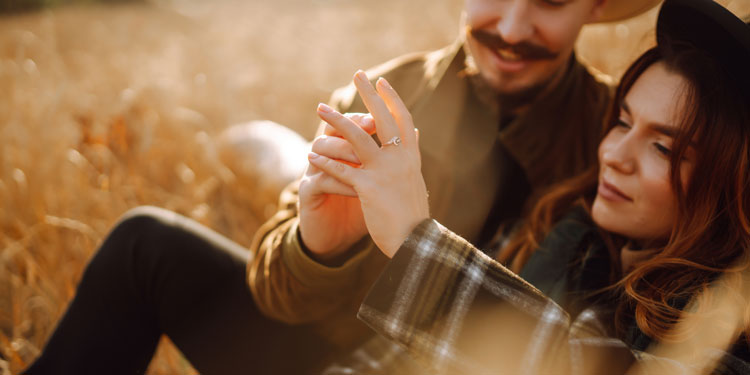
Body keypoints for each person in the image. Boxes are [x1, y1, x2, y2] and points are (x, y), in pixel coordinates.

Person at [23, 0, 660, 374]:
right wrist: (315, 248)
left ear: (596, 7)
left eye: (551, 1)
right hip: (332, 354)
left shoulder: (617, 136)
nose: (514, 28)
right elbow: (276, 292)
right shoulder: (385, 94)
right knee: (145, 243)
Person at [307, 0, 750, 373]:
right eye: (622, 122)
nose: (614, 154)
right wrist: (316, 249)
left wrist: (415, 239)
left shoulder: (730, 320)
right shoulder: (549, 228)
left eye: (663, 149)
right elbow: (389, 363)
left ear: (735, 181)